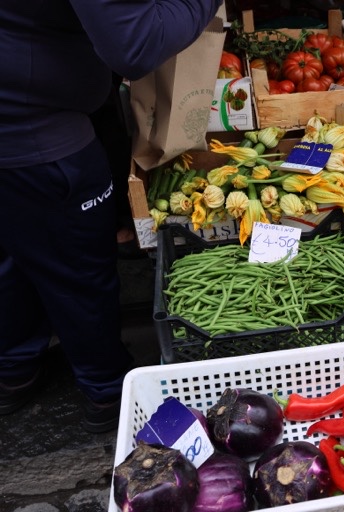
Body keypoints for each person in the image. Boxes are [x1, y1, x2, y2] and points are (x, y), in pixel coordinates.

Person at [0, 0, 224, 433]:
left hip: (20, 114)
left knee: (16, 251)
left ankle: (14, 369)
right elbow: (134, 44)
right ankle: (107, 390)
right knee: (77, 268)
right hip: (36, 135)